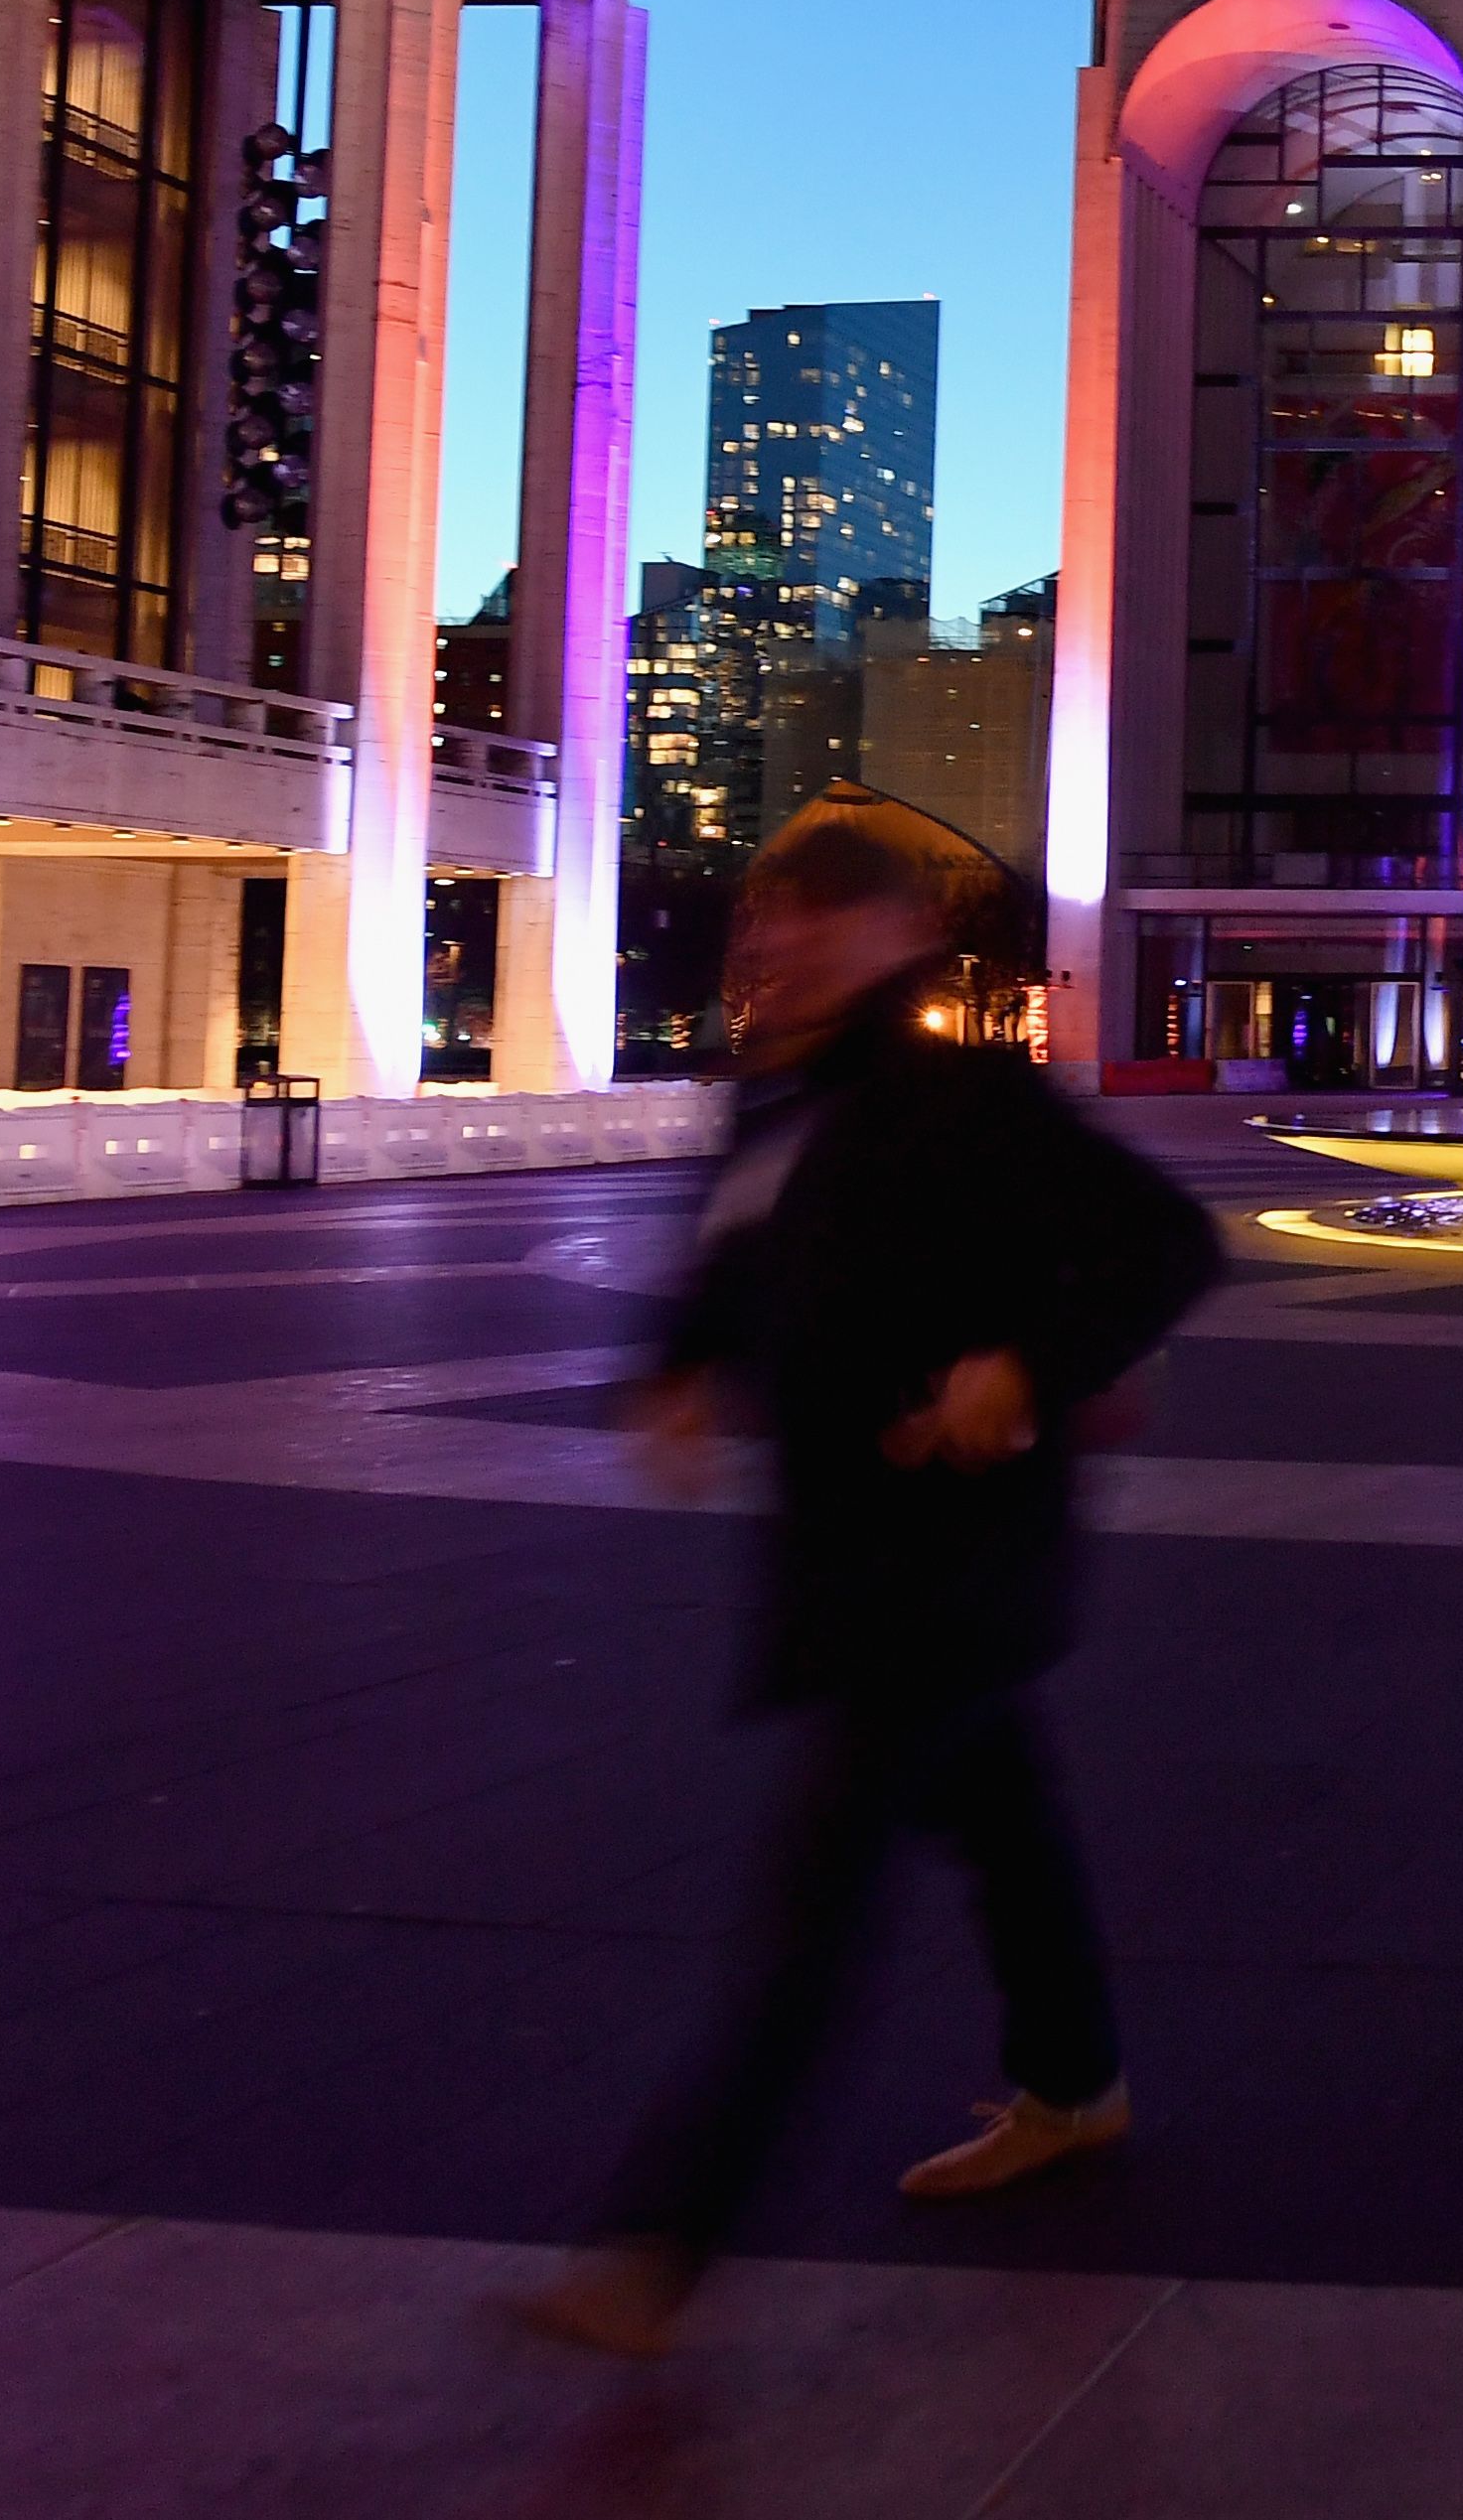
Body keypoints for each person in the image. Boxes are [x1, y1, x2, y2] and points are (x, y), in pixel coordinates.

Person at [520, 788, 1220, 2358]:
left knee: (815, 1901)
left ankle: (659, 2239)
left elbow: (1167, 1242)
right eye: (768, 919)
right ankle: (1076, 2085)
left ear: (898, 937)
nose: (777, 945)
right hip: (842, 1554)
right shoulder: (766, 1105)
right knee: (1008, 1825)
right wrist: (678, 1368)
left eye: (817, 918)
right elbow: (724, 1265)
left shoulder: (963, 1100)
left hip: (952, 1559)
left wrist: (1026, 1362)